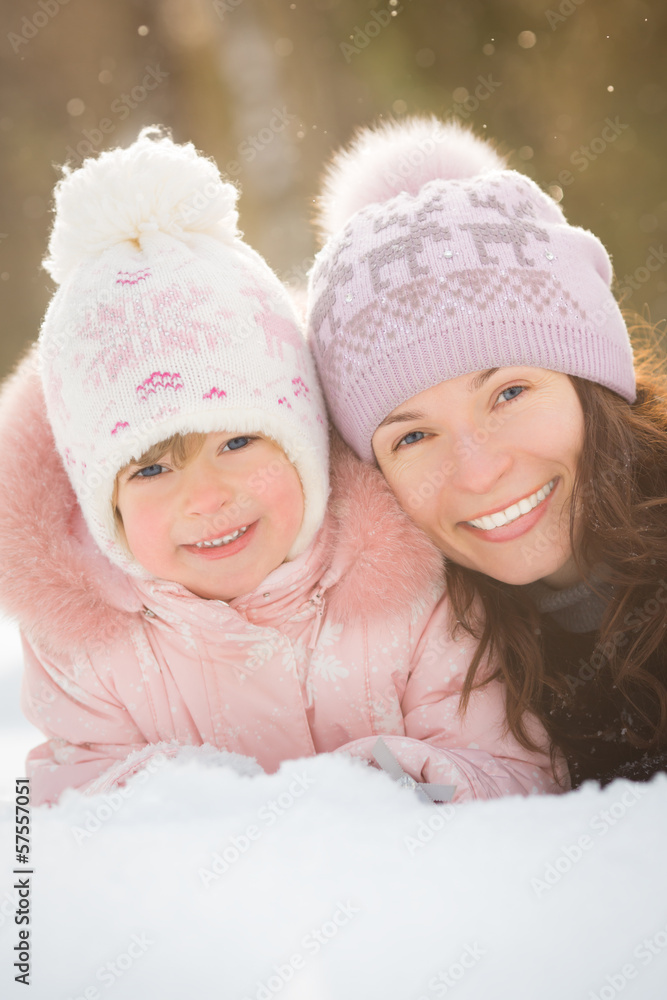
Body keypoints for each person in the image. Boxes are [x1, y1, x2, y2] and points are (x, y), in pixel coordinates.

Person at [0, 128, 561, 806]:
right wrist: (184, 802)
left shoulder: (406, 589)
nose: (206, 497)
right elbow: (59, 807)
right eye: (150, 470)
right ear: (103, 504)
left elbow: (518, 772)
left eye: (238, 443)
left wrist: (382, 791)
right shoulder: (88, 644)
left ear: (303, 442)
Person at [306, 116, 667, 789]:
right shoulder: (412, 654)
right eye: (411, 436)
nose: (478, 470)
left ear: (591, 381)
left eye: (507, 393)